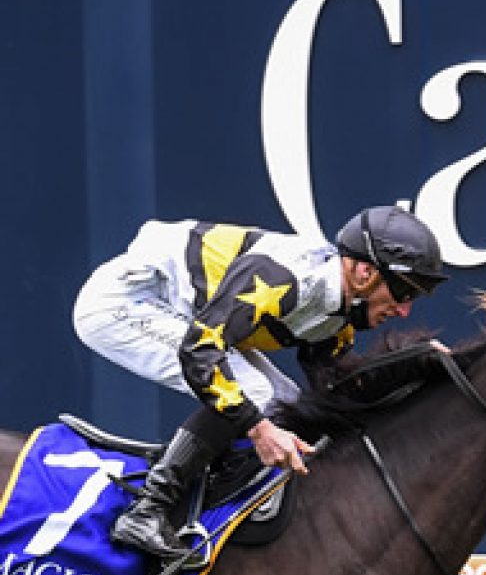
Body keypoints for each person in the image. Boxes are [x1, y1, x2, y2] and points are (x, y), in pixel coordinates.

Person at [72, 205, 448, 557]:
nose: (403, 309)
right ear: (364, 272)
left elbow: (334, 388)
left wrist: (412, 361)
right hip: (126, 301)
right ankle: (148, 509)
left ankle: (202, 493)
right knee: (255, 396)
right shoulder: (286, 280)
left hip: (185, 311)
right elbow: (199, 352)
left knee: (282, 399)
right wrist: (257, 429)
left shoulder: (340, 309)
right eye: (404, 291)